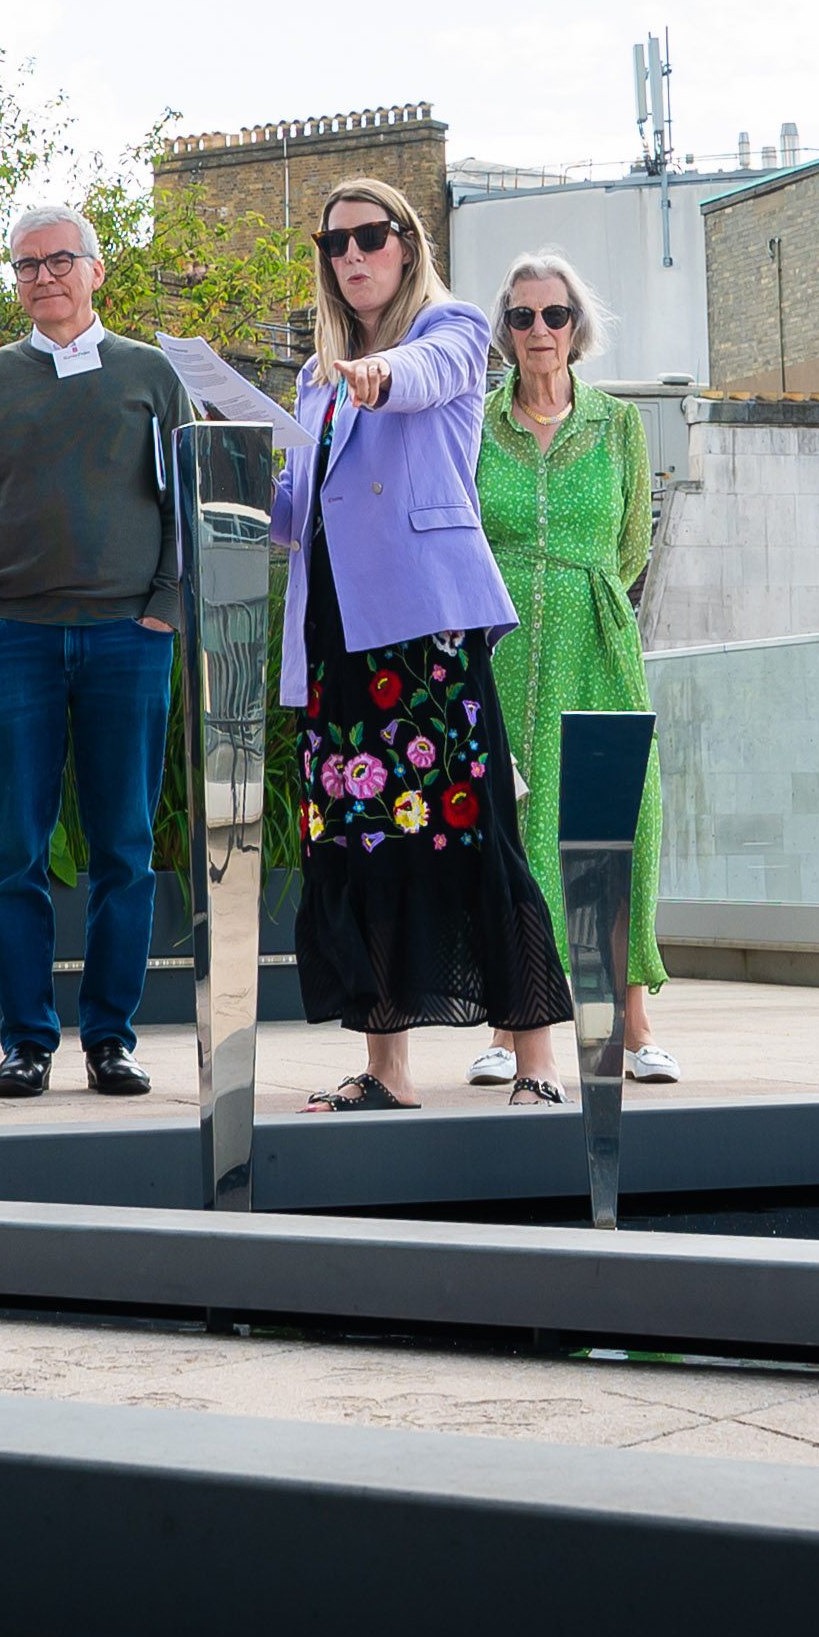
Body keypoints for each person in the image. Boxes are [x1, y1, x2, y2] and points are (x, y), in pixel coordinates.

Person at [278, 178, 566, 1109]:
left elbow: (430, 381)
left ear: (407, 243)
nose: (351, 255)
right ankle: (386, 1069)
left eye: (371, 236)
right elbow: (298, 512)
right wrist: (238, 462)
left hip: (425, 631)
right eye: (335, 243)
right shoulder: (315, 376)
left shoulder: (447, 328)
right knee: (362, 847)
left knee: (474, 833)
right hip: (336, 637)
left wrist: (378, 375)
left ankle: (536, 1064)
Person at [0, 201, 192, 1100]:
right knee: (15, 847)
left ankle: (111, 1038)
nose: (43, 275)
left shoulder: (153, 377)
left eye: (59, 260)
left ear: (96, 268)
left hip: (130, 637)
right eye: (26, 263)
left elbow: (185, 506)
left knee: (124, 844)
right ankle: (27, 1043)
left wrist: (164, 606)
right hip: (12, 643)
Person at [472, 251, 665, 1091]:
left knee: (615, 819)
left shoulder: (620, 425)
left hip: (596, 639)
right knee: (508, 828)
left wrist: (582, 595)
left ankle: (631, 1019)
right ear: (505, 331)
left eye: (554, 315)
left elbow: (631, 546)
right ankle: (507, 1022)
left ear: (576, 326)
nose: (539, 331)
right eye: (522, 317)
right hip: (501, 646)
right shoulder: (475, 421)